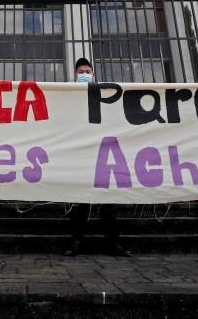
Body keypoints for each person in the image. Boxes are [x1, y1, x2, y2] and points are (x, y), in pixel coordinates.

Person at [63, 57, 129, 257]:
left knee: (108, 203)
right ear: (76, 75)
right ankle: (75, 242)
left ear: (93, 74)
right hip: (82, 156)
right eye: (81, 72)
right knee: (80, 203)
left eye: (87, 71)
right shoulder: (69, 97)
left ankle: (113, 243)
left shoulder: (105, 95)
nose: (84, 74)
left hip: (103, 154)